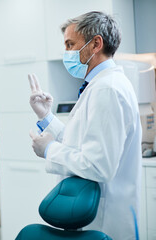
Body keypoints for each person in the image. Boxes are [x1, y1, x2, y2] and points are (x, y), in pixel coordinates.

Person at [28, 11, 142, 239]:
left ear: (96, 44)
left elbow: (98, 165)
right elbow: (80, 143)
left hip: (105, 220)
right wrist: (47, 117)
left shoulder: (107, 89)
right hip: (94, 215)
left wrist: (49, 150)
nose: (67, 53)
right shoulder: (100, 85)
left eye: (71, 45)